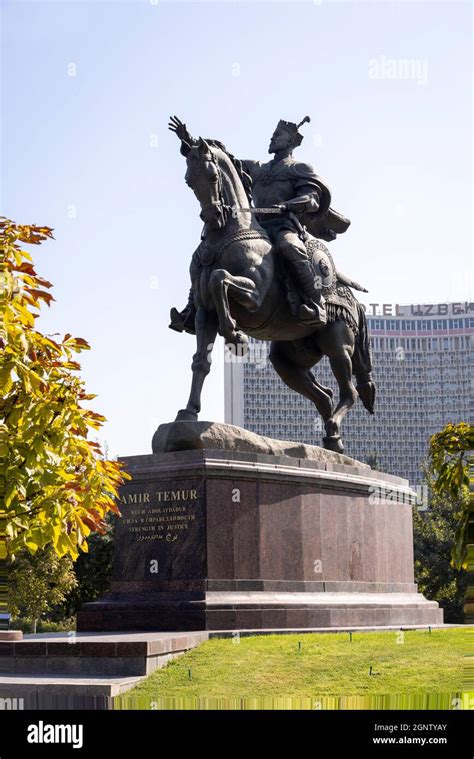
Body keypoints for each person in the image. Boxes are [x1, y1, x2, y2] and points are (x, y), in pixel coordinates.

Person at [168, 115, 351, 334]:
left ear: (292, 142)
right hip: (255, 228)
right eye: (272, 135)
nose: (272, 139)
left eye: (278, 136)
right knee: (206, 250)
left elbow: (312, 199)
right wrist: (189, 141)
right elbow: (219, 159)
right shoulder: (257, 168)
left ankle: (315, 304)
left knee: (289, 247)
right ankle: (192, 309)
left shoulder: (299, 168)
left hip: (284, 225)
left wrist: (289, 205)